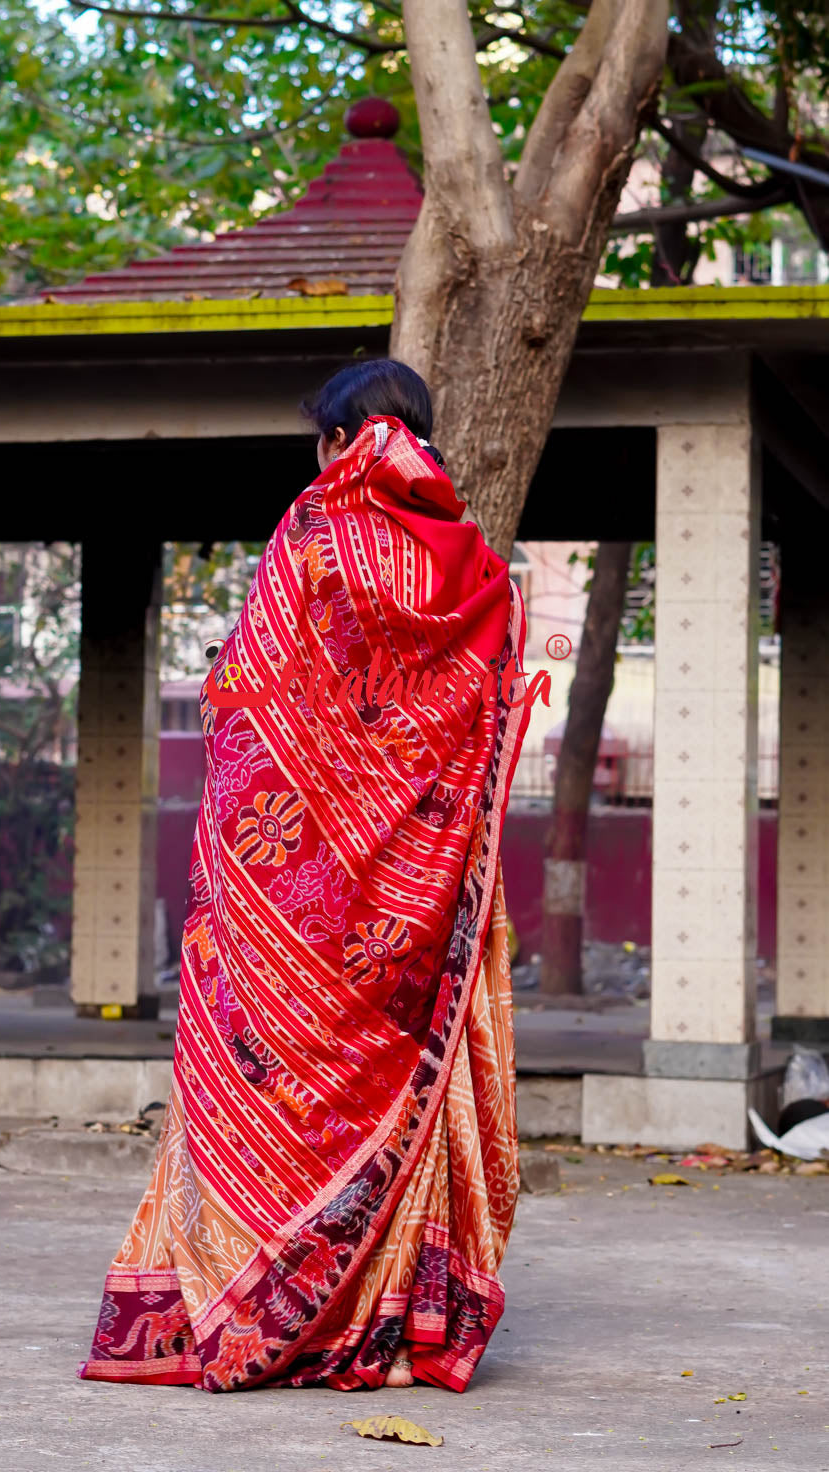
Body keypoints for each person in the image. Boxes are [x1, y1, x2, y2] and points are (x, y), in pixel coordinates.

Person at [80, 358, 530, 1394]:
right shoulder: (470, 569)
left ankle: (247, 1305)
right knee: (392, 1102)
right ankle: (378, 1323)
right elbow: (475, 718)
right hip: (407, 914)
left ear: (337, 440)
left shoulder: (314, 536)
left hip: (284, 901)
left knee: (263, 1091)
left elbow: (252, 701)